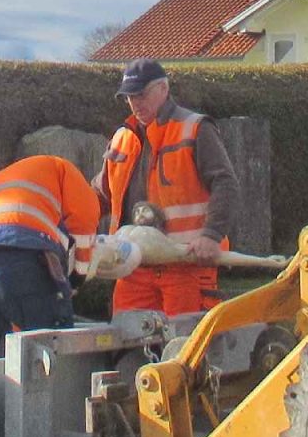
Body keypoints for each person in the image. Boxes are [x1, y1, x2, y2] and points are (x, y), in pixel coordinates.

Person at [95, 58, 238, 317]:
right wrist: (70, 224)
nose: (135, 103)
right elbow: (101, 194)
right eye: (129, 97)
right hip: (133, 267)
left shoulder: (195, 128)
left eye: (141, 94)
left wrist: (211, 235)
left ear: (163, 88)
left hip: (186, 263)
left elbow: (225, 183)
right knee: (127, 337)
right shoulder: (121, 138)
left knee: (184, 339)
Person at [0, 154, 102, 359]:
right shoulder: (71, 176)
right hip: (15, 256)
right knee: (50, 354)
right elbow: (84, 230)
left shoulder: (8, 182)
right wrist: (76, 280)